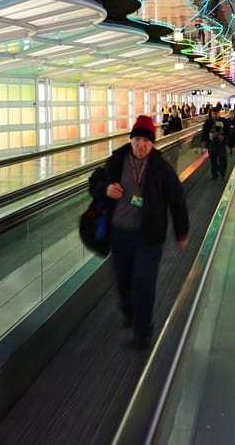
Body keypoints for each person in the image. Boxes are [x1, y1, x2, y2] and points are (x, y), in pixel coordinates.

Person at [89, 115, 190, 350]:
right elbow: (94, 182)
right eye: (137, 139)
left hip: (149, 236)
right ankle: (129, 310)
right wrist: (105, 188)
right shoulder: (116, 162)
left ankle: (142, 331)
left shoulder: (161, 169)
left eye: (146, 140)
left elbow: (177, 200)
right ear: (131, 140)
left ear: (153, 143)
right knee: (123, 280)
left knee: (144, 280)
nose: (141, 145)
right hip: (120, 234)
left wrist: (181, 231)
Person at [200, 109, 228, 179]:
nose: (215, 115)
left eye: (216, 114)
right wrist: (203, 141)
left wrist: (224, 137)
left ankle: (222, 171)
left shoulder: (223, 121)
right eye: (213, 114)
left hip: (221, 144)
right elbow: (204, 132)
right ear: (211, 114)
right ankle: (214, 174)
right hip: (211, 144)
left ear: (219, 114)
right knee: (213, 160)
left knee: (222, 158)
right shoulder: (208, 122)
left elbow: (228, 130)